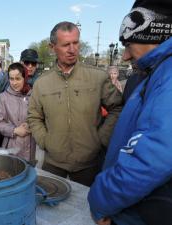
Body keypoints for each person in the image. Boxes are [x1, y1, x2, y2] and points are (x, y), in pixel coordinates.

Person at [88, 1, 172, 225]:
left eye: (128, 44)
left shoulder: (167, 75)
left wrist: (101, 198)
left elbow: (152, 157)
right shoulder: (156, 72)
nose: (124, 56)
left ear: (150, 35)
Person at [27, 21, 123, 187]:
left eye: (76, 42)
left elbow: (118, 108)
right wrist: (46, 141)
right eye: (65, 45)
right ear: (52, 47)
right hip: (53, 164)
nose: (72, 50)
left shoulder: (97, 77)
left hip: (90, 164)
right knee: (50, 208)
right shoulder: (42, 83)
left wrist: (100, 139)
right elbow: (34, 116)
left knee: (88, 210)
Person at [0, 62, 36, 161]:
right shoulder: (3, 97)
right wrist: (14, 130)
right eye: (11, 79)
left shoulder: (33, 95)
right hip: (11, 146)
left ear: (25, 78)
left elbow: (40, 117)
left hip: (30, 146)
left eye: (18, 78)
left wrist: (30, 124)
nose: (14, 83)